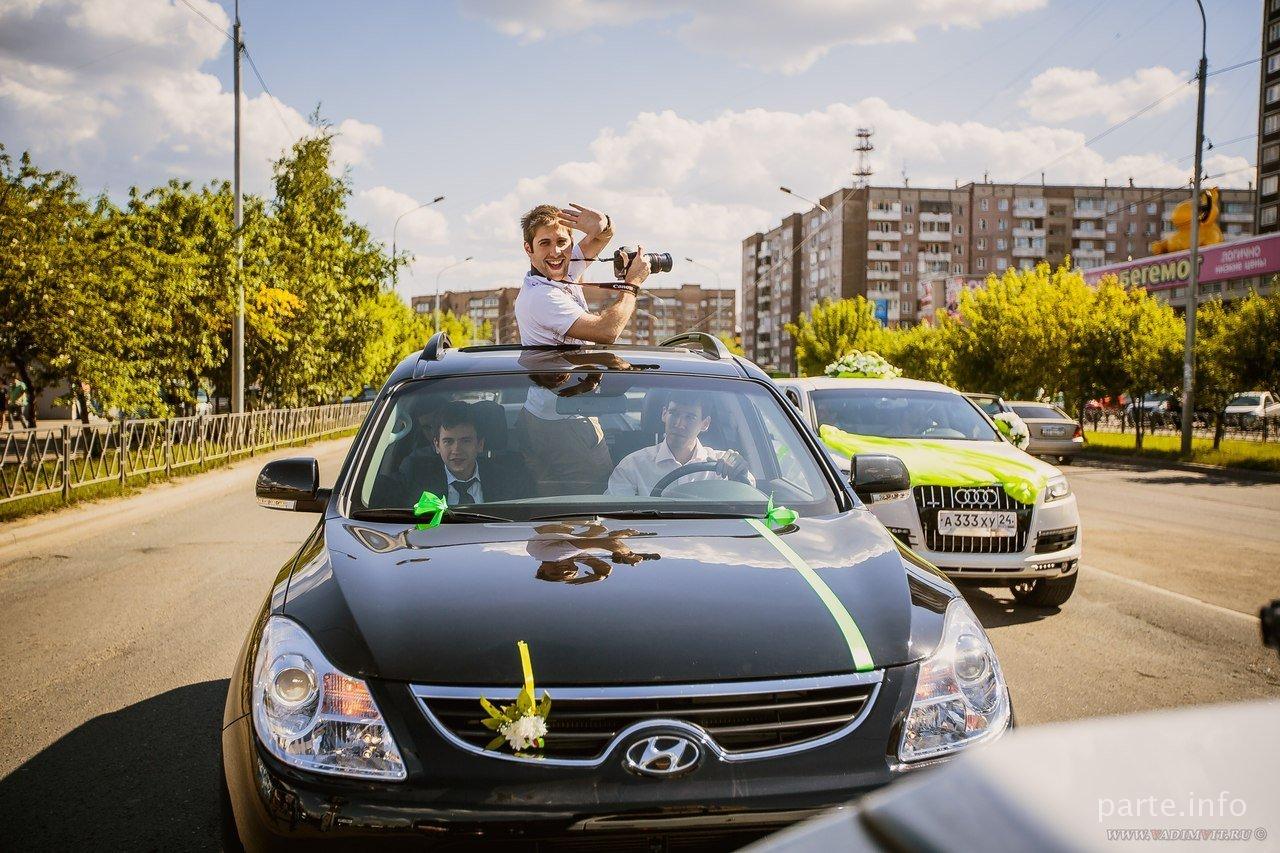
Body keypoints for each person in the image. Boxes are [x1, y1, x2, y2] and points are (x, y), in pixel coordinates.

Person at [514, 203, 650, 345]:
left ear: (571, 243)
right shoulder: (540, 296)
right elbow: (607, 331)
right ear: (528, 249)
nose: (555, 252)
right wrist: (633, 282)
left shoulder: (561, 268)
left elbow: (602, 237)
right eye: (545, 243)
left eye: (561, 241)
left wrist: (605, 224)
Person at [607, 392, 752, 496]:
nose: (679, 424)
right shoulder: (632, 466)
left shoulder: (723, 465)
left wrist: (739, 474)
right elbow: (615, 518)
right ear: (664, 414)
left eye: (690, 417)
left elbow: (752, 505)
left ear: (705, 424)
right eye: (674, 414)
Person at [397, 401, 531, 505]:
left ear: (480, 445)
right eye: (448, 441)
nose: (456, 450)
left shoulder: (510, 481)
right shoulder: (415, 478)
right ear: (437, 445)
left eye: (465, 441)